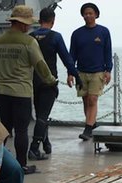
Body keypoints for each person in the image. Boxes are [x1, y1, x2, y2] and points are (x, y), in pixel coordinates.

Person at [0, 5, 56, 175]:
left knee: (4, 129)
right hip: (21, 93)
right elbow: (40, 64)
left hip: (2, 92)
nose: (29, 27)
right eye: (27, 24)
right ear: (21, 23)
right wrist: (50, 80)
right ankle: (21, 165)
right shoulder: (28, 42)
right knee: (21, 131)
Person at [28, 8, 80, 159]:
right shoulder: (56, 37)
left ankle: (46, 143)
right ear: (53, 20)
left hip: (33, 81)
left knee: (40, 114)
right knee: (43, 115)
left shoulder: (31, 37)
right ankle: (34, 148)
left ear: (39, 20)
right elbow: (67, 59)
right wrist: (77, 76)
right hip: (49, 81)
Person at [69, 2, 112, 141]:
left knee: (93, 99)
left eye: (90, 13)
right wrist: (70, 72)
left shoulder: (103, 32)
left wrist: (108, 70)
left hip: (98, 72)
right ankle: (92, 125)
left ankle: (87, 129)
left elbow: (107, 51)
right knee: (86, 100)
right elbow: (72, 54)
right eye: (85, 13)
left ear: (96, 15)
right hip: (81, 72)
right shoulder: (76, 34)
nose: (88, 15)